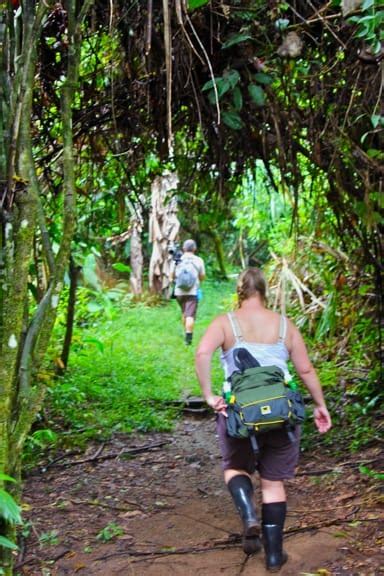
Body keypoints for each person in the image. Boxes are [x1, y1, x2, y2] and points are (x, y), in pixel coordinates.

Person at [195, 268, 331, 571]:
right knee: (273, 483)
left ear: (239, 290)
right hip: (282, 415)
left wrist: (208, 396)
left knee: (234, 467)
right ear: (264, 291)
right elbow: (306, 370)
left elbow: (202, 353)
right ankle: (273, 556)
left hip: (239, 413)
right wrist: (320, 405)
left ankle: (248, 516)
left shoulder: (225, 323)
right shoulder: (285, 325)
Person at [173, 239, 205, 345]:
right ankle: (188, 339)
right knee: (190, 316)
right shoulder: (198, 260)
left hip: (179, 292)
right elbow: (202, 276)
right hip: (192, 291)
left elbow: (170, 276)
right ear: (195, 249)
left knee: (184, 312)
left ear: (183, 248)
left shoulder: (177, 259)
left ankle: (186, 331)